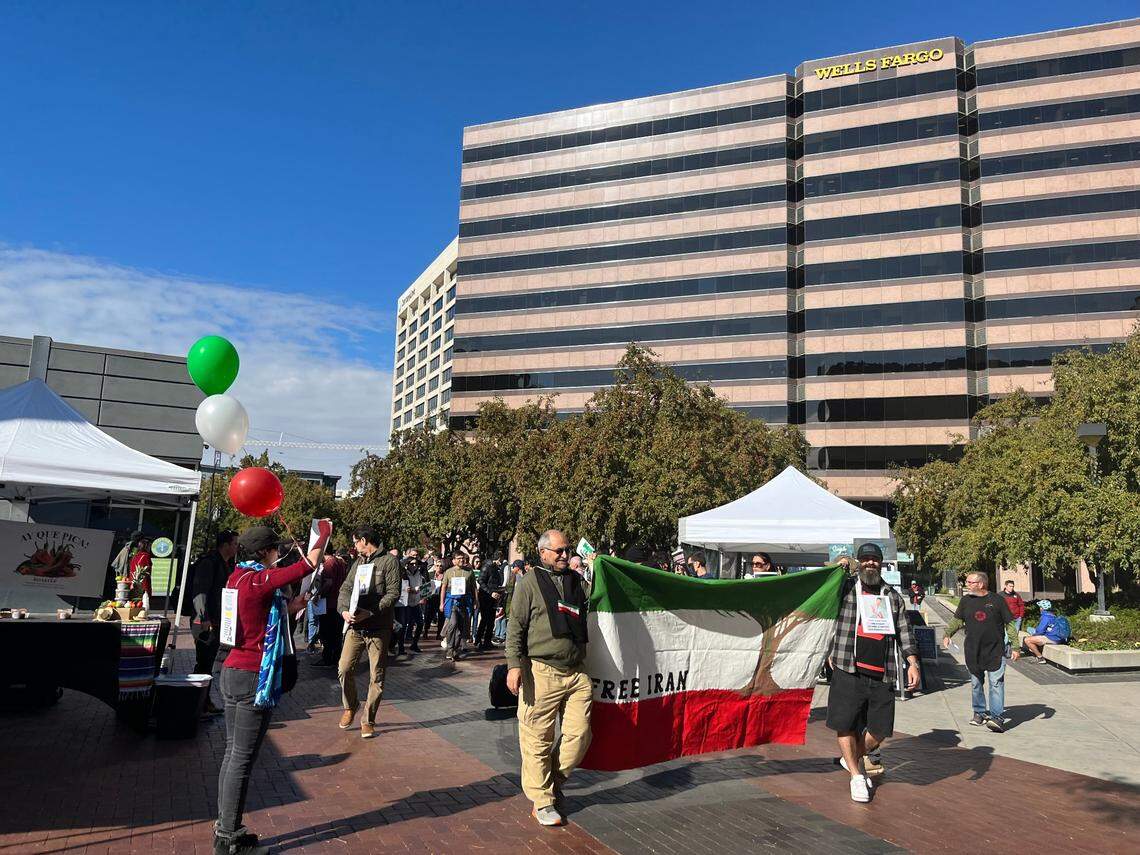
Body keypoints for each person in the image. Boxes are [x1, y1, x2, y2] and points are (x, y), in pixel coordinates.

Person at [213, 525, 325, 855]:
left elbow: (256, 614)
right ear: (265, 552)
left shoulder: (238, 577)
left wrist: (291, 608)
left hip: (232, 670)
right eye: (276, 549)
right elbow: (307, 565)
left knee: (233, 754)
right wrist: (321, 536)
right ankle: (230, 837)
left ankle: (225, 829)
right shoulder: (258, 580)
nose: (279, 554)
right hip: (251, 676)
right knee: (242, 760)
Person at [506, 529, 591, 828]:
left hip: (576, 670)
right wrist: (514, 666)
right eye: (559, 551)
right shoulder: (528, 583)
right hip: (541, 671)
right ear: (543, 552)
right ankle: (542, 801)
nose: (566, 555)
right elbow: (515, 626)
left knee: (579, 736)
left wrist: (604, 568)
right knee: (537, 740)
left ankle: (552, 783)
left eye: (567, 550)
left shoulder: (577, 581)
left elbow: (598, 601)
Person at [826, 542, 919, 804]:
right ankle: (856, 775)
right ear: (859, 562)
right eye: (865, 559)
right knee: (845, 723)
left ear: (881, 563)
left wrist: (913, 662)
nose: (870, 563)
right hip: (848, 666)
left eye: (874, 560)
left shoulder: (892, 596)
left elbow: (904, 632)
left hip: (883, 671)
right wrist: (840, 568)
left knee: (880, 730)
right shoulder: (845, 589)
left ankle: (850, 759)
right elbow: (827, 584)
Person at [336, 526, 401, 739]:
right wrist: (344, 610)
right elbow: (345, 588)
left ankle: (368, 720)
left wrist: (371, 612)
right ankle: (351, 705)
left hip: (378, 627)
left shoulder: (389, 562)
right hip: (355, 626)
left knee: (377, 676)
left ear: (364, 540)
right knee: (344, 668)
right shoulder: (358, 563)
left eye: (355, 542)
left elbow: (393, 593)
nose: (354, 547)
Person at [941, 571, 1020, 732]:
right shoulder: (965, 601)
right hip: (973, 650)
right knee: (976, 683)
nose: (967, 585)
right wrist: (948, 633)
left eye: (970, 582)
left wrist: (1016, 646)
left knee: (996, 684)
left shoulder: (997, 600)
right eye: (967, 582)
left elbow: (1010, 624)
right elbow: (957, 620)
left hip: (995, 650)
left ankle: (997, 718)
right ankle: (979, 713)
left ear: (981, 584)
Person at [191, 529, 239, 714]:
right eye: (234, 543)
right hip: (204, 622)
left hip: (216, 620)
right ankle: (198, 702)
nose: (236, 547)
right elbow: (200, 591)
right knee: (203, 664)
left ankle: (204, 701)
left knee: (208, 663)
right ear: (225, 545)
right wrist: (204, 617)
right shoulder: (209, 563)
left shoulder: (224, 563)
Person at [313, 553, 349, 668]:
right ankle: (336, 658)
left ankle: (327, 658)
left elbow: (328, 582)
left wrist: (318, 594)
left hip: (328, 603)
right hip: (338, 603)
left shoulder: (329, 564)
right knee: (336, 633)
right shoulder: (341, 563)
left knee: (326, 633)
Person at [441, 552, 476, 661]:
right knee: (453, 624)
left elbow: (473, 587)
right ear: (454, 560)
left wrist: (476, 601)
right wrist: (441, 603)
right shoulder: (449, 572)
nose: (462, 560)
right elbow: (443, 587)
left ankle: (455, 650)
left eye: (463, 558)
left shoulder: (469, 572)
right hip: (452, 602)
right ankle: (450, 648)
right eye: (459, 558)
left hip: (464, 603)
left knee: (461, 628)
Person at [475, 557, 505, 652]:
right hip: (485, 597)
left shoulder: (495, 569)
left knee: (491, 620)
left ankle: (487, 641)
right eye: (500, 560)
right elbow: (481, 580)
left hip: (494, 597)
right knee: (484, 620)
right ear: (497, 559)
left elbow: (496, 582)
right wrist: (490, 592)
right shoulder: (486, 567)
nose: (501, 563)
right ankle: (478, 641)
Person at [126, 532, 153, 599]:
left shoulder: (135, 555)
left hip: (133, 583)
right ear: (146, 546)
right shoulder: (146, 556)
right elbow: (146, 571)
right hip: (142, 585)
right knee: (143, 604)